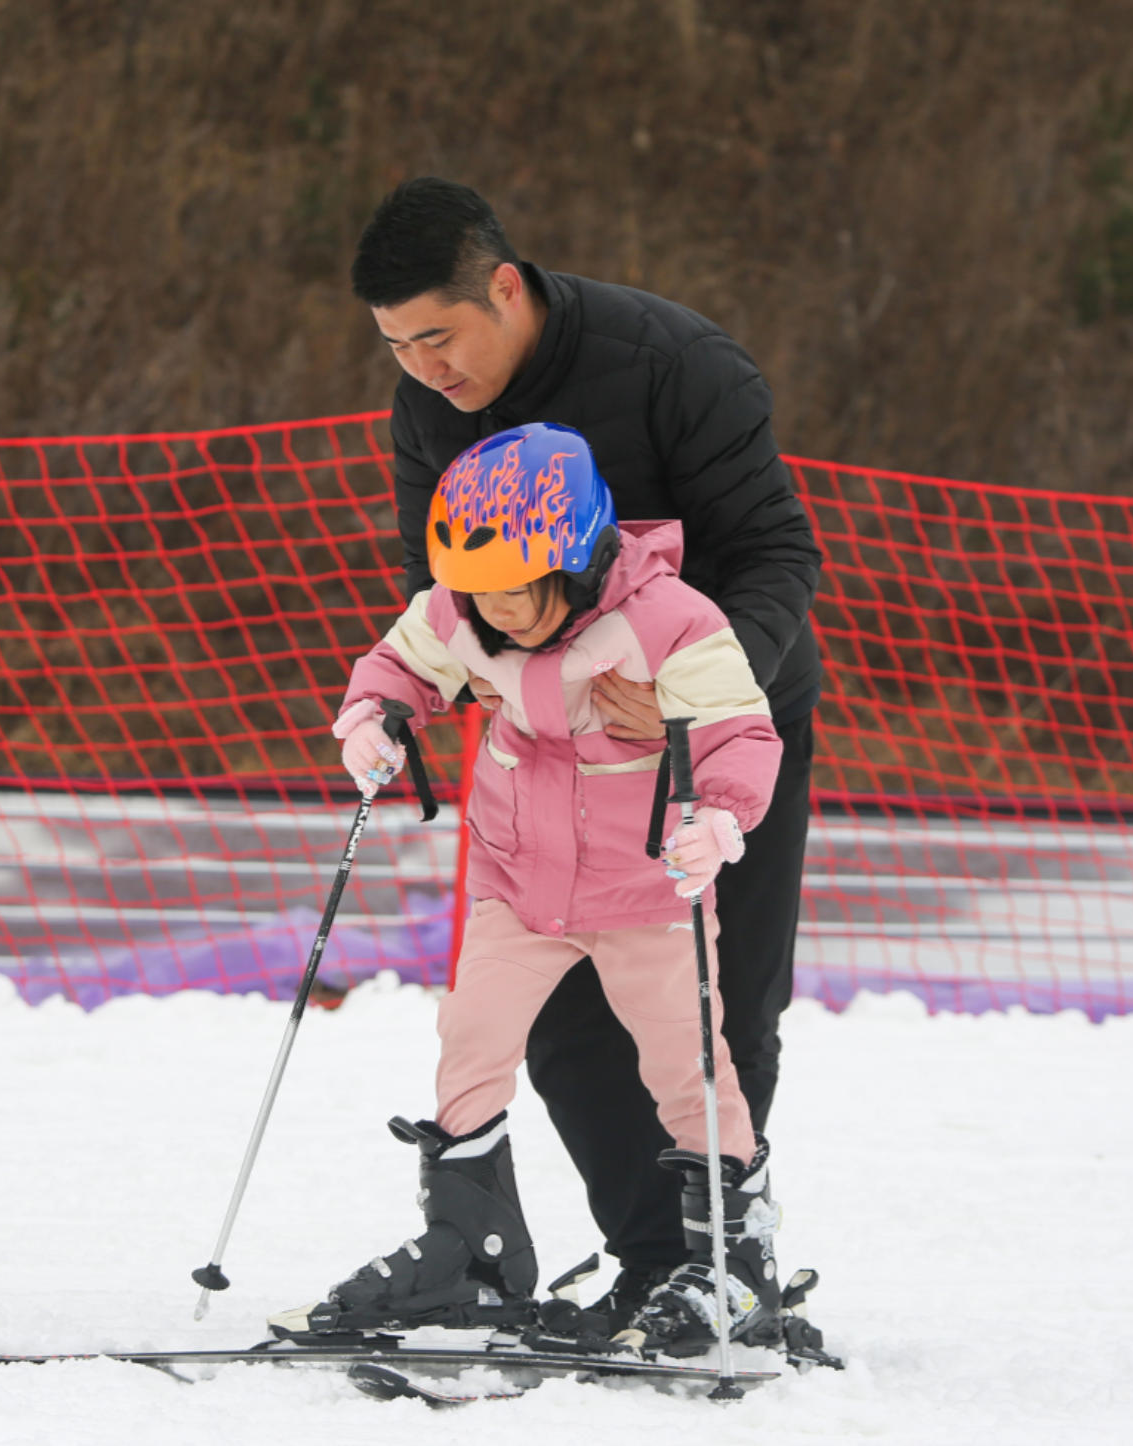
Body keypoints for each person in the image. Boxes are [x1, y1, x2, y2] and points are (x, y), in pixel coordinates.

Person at [347, 178, 823, 1334]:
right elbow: (444, 599)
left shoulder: (674, 365)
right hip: (549, 757)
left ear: (504, 289)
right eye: (397, 346)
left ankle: (721, 1264)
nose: (422, 368)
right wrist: (420, 691)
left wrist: (681, 693)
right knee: (558, 1024)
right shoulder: (429, 410)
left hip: (718, 721)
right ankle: (655, 1261)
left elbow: (774, 554)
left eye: (438, 337)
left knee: (715, 1003)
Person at [280, 422, 785, 1355]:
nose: (497, 612)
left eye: (515, 590)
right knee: (470, 1041)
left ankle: (731, 1262)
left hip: (645, 888)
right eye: (478, 592)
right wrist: (375, 716)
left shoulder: (672, 621)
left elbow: (739, 729)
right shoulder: (459, 609)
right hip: (518, 883)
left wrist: (719, 814)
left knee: (687, 1064)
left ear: (581, 561)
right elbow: (403, 665)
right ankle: (475, 1252)